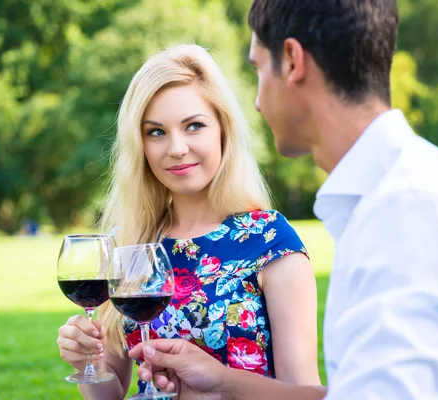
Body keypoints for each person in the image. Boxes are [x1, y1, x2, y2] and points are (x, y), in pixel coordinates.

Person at [130, 0, 438, 399]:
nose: (256, 101)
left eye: (258, 68)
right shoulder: (413, 192)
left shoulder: (409, 212)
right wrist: (224, 383)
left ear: (292, 61)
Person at [56, 44, 321, 399]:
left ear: (223, 130)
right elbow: (111, 393)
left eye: (193, 126)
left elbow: (305, 394)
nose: (176, 148)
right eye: (156, 132)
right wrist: (89, 364)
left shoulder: (271, 240)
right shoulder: (129, 244)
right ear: (140, 145)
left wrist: (223, 384)